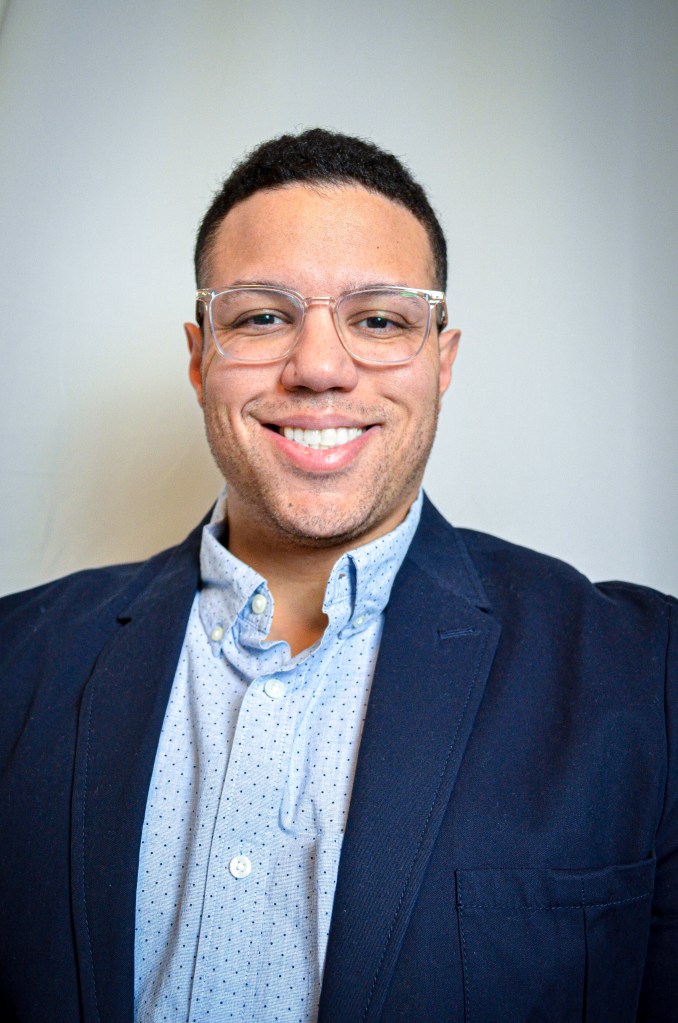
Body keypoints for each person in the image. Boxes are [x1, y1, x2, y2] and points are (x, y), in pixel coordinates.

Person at [0, 129, 675, 1023]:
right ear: (200, 359)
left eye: (380, 320)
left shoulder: (646, 676)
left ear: (442, 360)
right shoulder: (14, 661)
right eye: (262, 317)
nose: (319, 367)